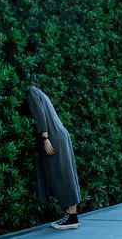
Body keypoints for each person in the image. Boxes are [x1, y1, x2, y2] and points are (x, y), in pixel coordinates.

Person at [27, 84, 81, 229]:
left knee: (63, 176)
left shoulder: (32, 92)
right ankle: (71, 215)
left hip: (53, 138)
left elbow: (40, 115)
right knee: (67, 175)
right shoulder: (40, 93)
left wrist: (45, 138)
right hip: (60, 136)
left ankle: (72, 218)